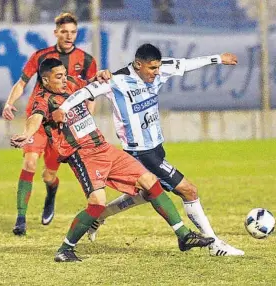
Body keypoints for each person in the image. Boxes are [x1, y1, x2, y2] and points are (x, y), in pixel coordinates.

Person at [11, 58, 215, 262]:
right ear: (45, 80)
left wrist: (102, 74)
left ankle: (183, 236)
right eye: (58, 77)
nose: (64, 79)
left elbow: (93, 84)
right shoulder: (42, 99)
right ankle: (65, 249)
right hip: (83, 155)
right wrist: (27, 133)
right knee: (97, 204)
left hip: (104, 147)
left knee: (150, 181)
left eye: (65, 74)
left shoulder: (72, 83)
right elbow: (34, 119)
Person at [52, 43, 244, 256]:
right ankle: (214, 244)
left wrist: (218, 58)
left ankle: (99, 216)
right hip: (140, 152)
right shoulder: (117, 80)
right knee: (189, 190)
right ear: (138, 64)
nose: (157, 72)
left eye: (158, 67)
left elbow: (187, 64)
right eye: (152, 68)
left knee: (146, 194)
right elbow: (87, 91)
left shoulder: (160, 70)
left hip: (156, 147)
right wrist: (63, 108)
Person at [2, 12, 97, 234]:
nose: (69, 36)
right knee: (30, 163)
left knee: (49, 175)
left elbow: (91, 93)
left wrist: (86, 119)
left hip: (62, 126)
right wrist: (9, 103)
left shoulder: (86, 60)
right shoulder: (41, 56)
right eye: (64, 32)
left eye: (73, 32)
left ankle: (51, 193)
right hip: (38, 117)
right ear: (56, 33)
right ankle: (21, 219)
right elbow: (22, 82)